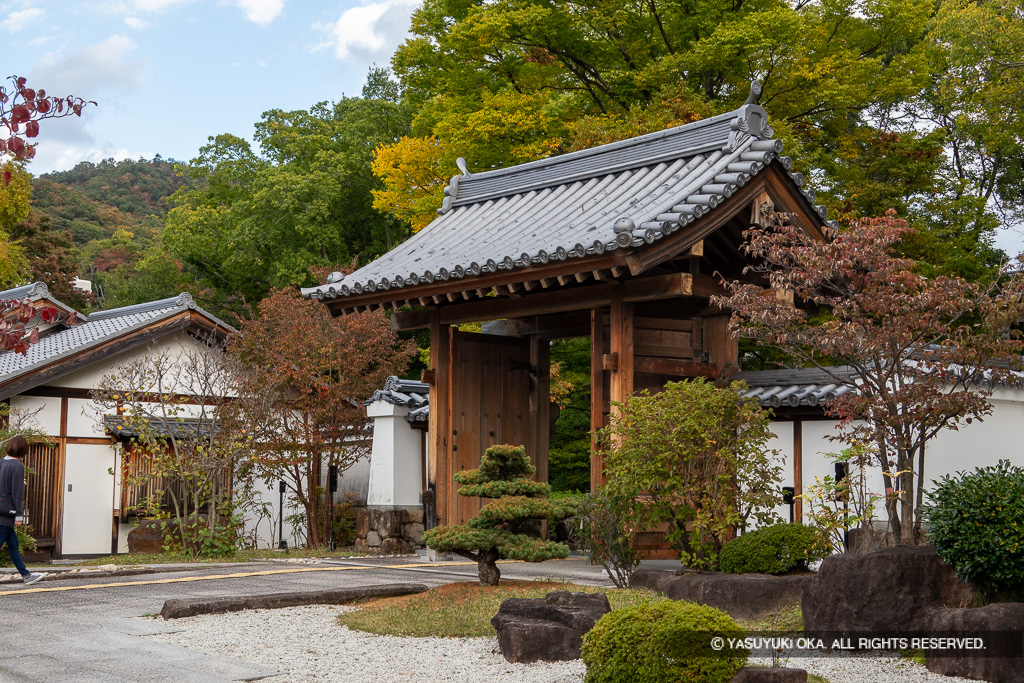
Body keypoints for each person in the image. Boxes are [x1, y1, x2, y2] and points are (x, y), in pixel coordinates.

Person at [0, 435, 44, 585]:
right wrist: (19, 515)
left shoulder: (2, 462)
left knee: (13, 545)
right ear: (23, 449)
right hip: (6, 513)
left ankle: (26, 575)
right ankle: (26, 575)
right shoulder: (17, 466)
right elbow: (17, 492)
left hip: (1, 509)